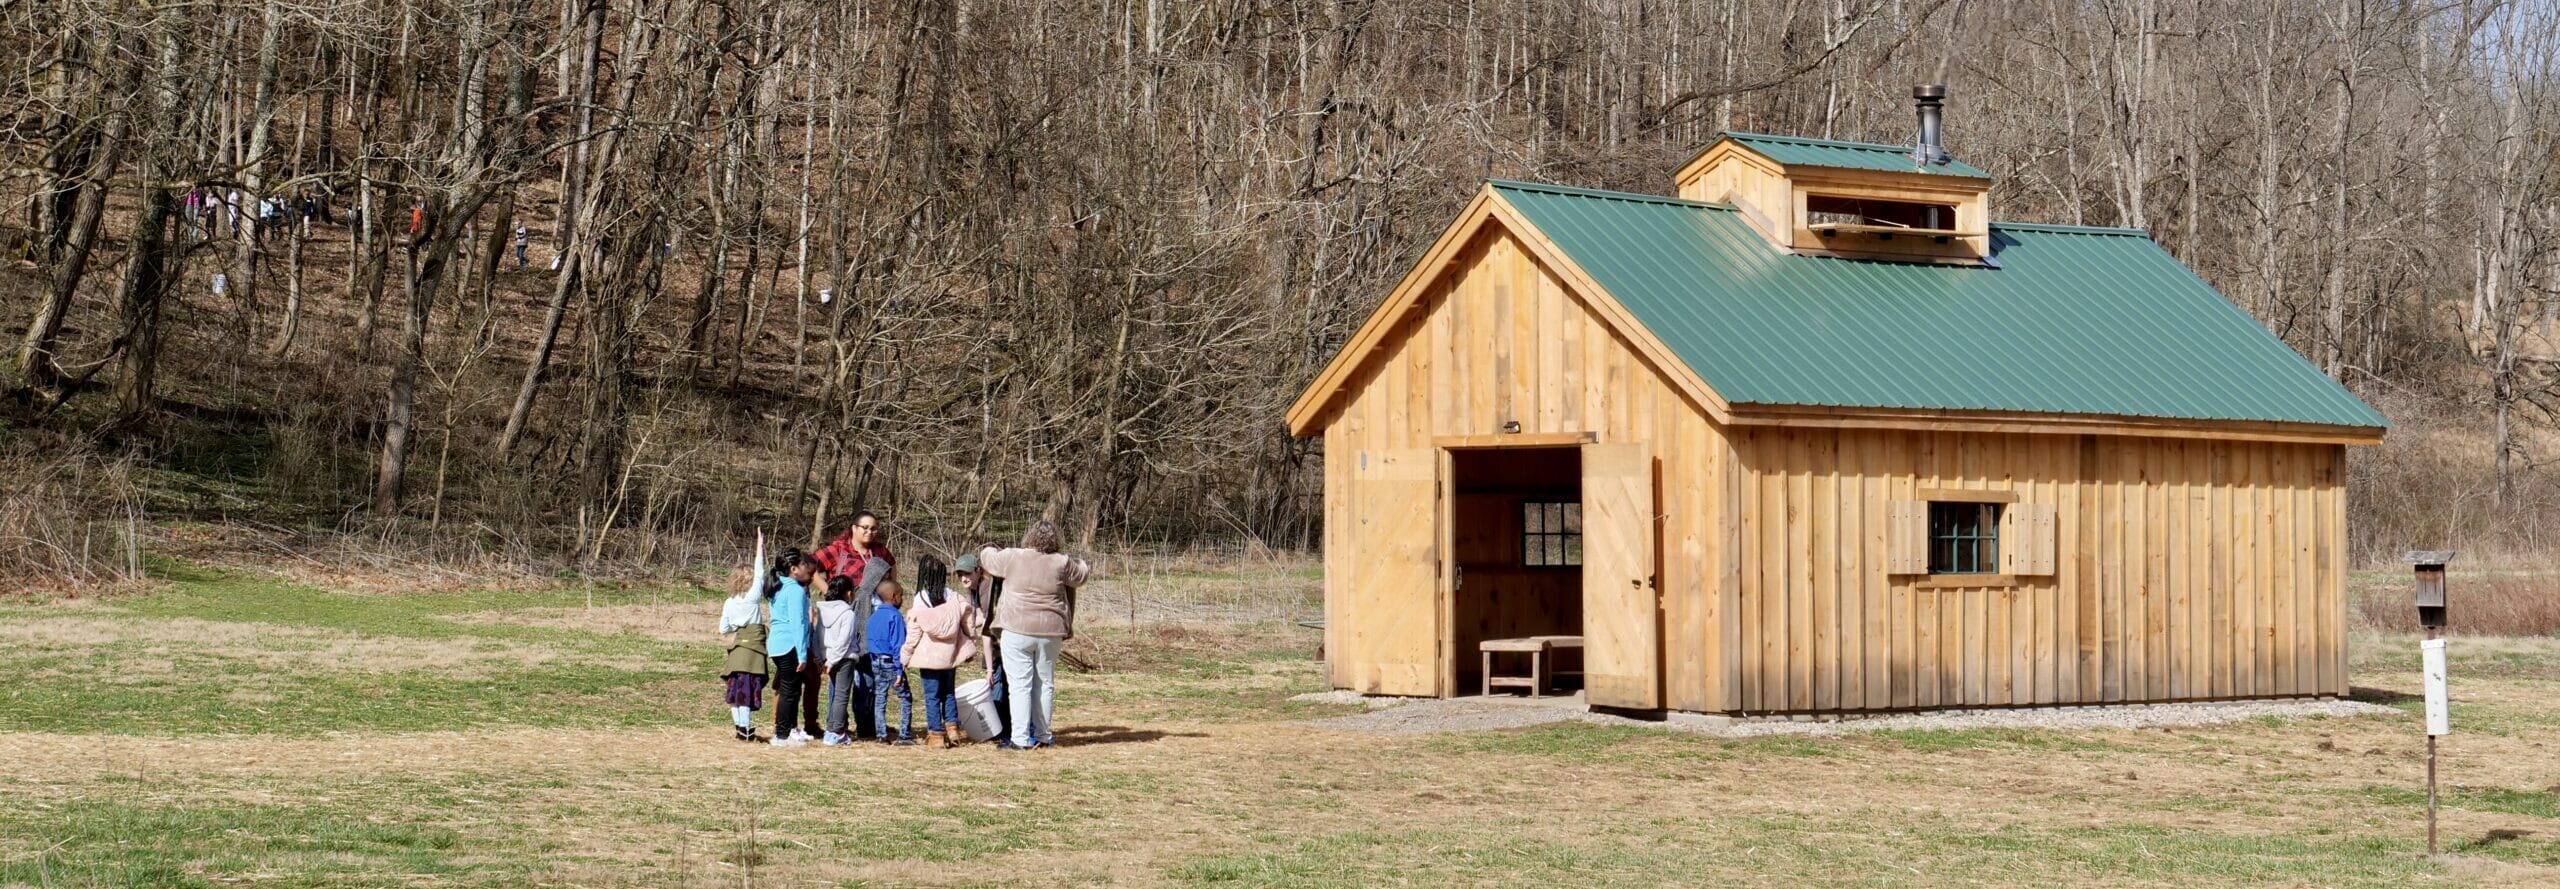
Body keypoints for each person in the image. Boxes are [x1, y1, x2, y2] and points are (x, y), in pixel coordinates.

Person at [980, 520, 1091, 750]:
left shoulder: (1013, 556)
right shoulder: (1062, 562)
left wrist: (989, 547)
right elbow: (1082, 575)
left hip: (1015, 628)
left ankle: (1020, 739)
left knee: (1020, 685)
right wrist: (1080, 561)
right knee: (1045, 684)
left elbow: (987, 559)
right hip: (1050, 631)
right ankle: (1044, 736)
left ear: (1029, 536)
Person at [904, 554, 988, 748]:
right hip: (950, 656)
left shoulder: (920, 599)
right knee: (948, 693)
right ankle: (952, 729)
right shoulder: (953, 596)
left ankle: (936, 734)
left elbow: (914, 632)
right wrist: (970, 643)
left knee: (932, 695)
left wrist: (905, 655)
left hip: (929, 658)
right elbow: (969, 622)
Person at [719, 531, 772, 742]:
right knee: (748, 693)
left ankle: (741, 728)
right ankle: (747, 728)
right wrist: (759, 546)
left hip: (738, 651)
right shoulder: (752, 598)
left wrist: (736, 623)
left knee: (735, 694)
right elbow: (760, 573)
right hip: (754, 653)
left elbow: (723, 628)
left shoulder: (729, 602)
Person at [766, 549, 819, 747]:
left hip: (778, 644)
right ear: (794, 569)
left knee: (793, 689)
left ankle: (790, 730)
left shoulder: (779, 587)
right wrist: (803, 654)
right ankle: (781, 735)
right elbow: (798, 623)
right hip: (790, 645)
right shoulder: (795, 590)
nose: (808, 570)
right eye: (805, 566)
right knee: (789, 690)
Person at [817, 576, 866, 746]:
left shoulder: (823, 611)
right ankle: (836, 731)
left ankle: (831, 728)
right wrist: (833, 660)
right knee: (841, 695)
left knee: (834, 693)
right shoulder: (848, 614)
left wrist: (823, 658)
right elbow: (844, 640)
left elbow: (819, 636)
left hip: (829, 657)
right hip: (844, 658)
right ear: (848, 593)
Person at [867, 579, 916, 745]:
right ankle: (904, 735)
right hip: (891, 662)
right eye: (901, 595)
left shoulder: (873, 616)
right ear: (894, 596)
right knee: (905, 697)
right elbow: (898, 645)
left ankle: (881, 735)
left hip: (876, 661)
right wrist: (899, 669)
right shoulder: (895, 616)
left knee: (880, 696)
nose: (902, 599)